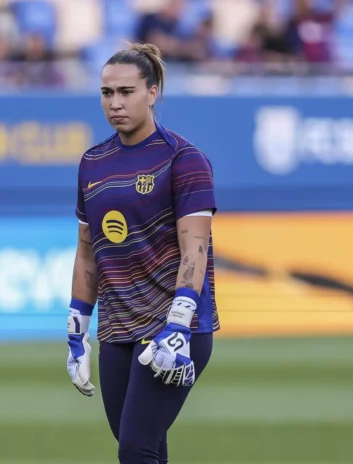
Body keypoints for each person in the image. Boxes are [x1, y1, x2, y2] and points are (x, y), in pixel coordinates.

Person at [66, 41, 219, 464]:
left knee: (135, 449)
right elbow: (87, 252)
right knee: (143, 449)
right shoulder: (92, 162)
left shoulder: (184, 159)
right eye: (106, 93)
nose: (114, 103)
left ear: (152, 93)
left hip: (173, 326)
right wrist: (77, 330)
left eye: (126, 92)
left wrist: (179, 325)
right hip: (117, 327)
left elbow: (195, 250)